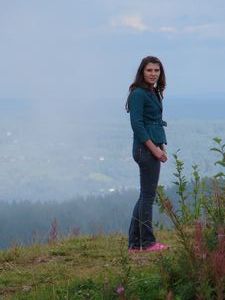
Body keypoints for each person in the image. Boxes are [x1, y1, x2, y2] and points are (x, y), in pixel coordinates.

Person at [126, 56, 169, 253]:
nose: (153, 74)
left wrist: (162, 146)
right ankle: (148, 243)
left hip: (153, 147)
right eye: (149, 70)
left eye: (156, 71)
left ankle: (134, 245)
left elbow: (155, 122)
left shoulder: (154, 92)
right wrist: (155, 150)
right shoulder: (138, 94)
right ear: (142, 71)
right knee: (148, 197)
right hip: (145, 150)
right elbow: (138, 126)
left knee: (145, 195)